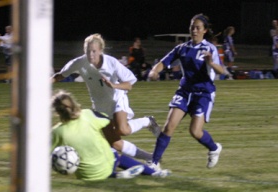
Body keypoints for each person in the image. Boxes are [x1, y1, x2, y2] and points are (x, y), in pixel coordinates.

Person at [52, 33, 161, 163]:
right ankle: (151, 158)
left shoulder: (111, 62)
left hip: (117, 98)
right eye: (88, 51)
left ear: (100, 50)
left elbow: (129, 84)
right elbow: (59, 76)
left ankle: (148, 121)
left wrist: (114, 85)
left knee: (122, 129)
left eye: (94, 51)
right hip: (100, 105)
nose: (91, 54)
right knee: (115, 144)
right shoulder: (79, 63)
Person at [148, 14, 224, 170]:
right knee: (169, 126)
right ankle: (154, 162)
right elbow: (164, 62)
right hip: (184, 91)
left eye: (198, 28)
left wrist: (210, 62)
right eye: (192, 27)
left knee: (195, 131)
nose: (194, 30)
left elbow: (221, 70)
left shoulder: (210, 48)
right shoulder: (182, 48)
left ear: (204, 30)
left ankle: (214, 148)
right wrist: (154, 72)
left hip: (203, 93)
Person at [51, 90, 171, 180]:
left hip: (86, 175)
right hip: (108, 162)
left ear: (56, 111)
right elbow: (106, 120)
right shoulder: (87, 115)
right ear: (73, 103)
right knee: (114, 152)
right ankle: (153, 172)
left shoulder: (56, 132)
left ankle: (116, 176)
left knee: (91, 167)